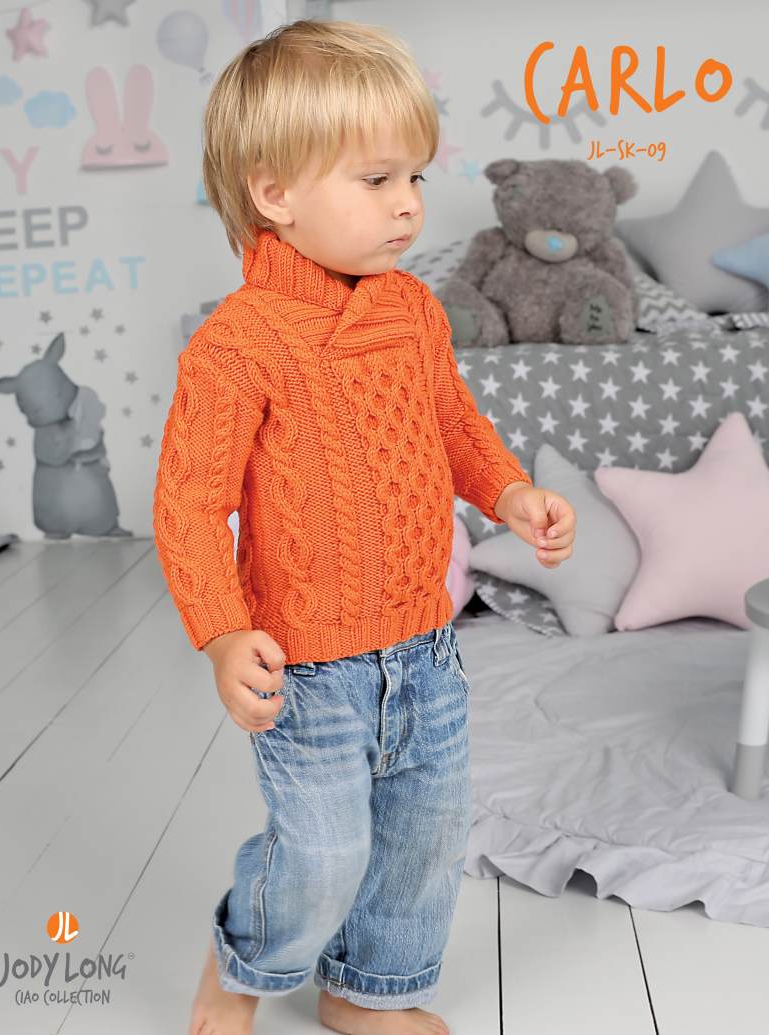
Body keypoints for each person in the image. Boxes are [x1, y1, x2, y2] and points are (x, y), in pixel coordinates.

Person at [152, 18, 576, 1035]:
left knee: (425, 837)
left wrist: (509, 493)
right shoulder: (237, 344)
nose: (408, 204)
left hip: (423, 645)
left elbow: (454, 425)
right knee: (324, 848)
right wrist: (221, 632)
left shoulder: (412, 310)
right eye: (377, 180)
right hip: (306, 665)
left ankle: (367, 990)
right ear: (274, 193)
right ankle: (244, 956)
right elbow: (190, 502)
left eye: (414, 178)